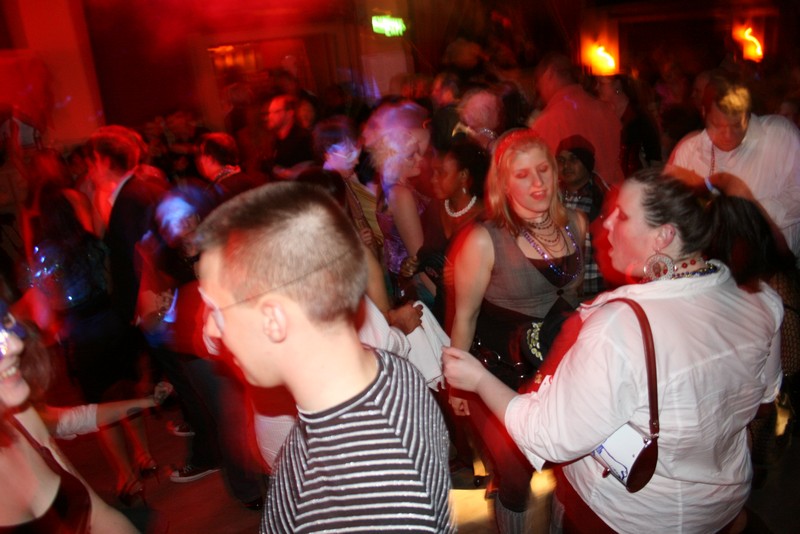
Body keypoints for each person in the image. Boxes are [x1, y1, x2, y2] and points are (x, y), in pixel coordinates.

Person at [443, 168, 783, 533]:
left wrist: (478, 380)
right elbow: (764, 398)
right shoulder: (762, 301)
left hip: (631, 516)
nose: (605, 224)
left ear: (664, 236)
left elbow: (548, 437)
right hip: (722, 503)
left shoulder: (620, 326)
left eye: (621, 216)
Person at [194, 182, 454, 532]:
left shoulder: (364, 489)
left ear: (274, 318)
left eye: (216, 309)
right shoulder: (384, 372)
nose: (210, 330)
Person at [447, 129, 586, 532]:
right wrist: (457, 385)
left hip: (560, 373)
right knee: (515, 478)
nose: (538, 183)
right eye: (522, 175)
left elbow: (577, 302)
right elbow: (465, 316)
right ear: (503, 183)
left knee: (569, 471)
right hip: (499, 375)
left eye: (543, 170)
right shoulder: (483, 239)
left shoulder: (576, 224)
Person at [0, 302, 138, 533]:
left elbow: (96, 514)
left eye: (4, 322)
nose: (15, 344)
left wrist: (147, 401)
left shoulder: (23, 418)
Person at [669, 72, 800, 259]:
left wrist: (744, 216)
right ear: (704, 113)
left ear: (748, 112)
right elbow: (675, 217)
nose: (728, 135)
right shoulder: (689, 152)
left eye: (737, 124)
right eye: (718, 125)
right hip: (715, 269)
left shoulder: (779, 135)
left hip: (776, 268)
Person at [363, 101, 432, 301]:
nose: (420, 159)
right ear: (394, 160)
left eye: (418, 152)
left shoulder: (388, 186)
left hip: (404, 280)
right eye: (411, 155)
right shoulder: (401, 195)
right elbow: (418, 256)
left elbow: (426, 134)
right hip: (419, 285)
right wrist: (443, 298)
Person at [530, 53, 624, 187]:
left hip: (577, 199)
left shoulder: (546, 122)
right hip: (616, 194)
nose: (539, 91)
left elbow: (544, 177)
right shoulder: (606, 110)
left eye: (538, 83)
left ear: (549, 74)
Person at [556, 135, 611, 298]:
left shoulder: (603, 197)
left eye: (574, 159)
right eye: (561, 160)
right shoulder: (552, 195)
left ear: (586, 162)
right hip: (561, 290)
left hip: (594, 287)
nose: (566, 166)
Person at [259, 94, 315, 181]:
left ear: (289, 113)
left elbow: (305, 172)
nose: (270, 116)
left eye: (276, 112)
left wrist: (274, 169)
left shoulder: (302, 139)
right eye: (269, 112)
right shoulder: (273, 140)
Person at [195, 132, 262, 204]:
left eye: (200, 156)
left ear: (209, 159)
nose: (199, 162)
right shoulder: (241, 179)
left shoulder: (222, 191)